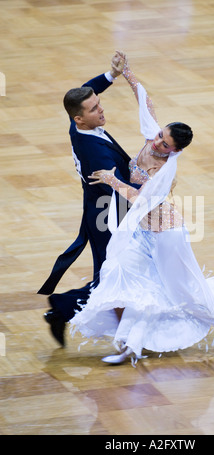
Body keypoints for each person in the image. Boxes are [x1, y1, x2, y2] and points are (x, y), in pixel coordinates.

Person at [70, 52, 214, 363]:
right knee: (140, 285)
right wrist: (125, 73)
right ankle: (130, 346)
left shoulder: (163, 172)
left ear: (175, 151)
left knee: (183, 293)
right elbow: (146, 103)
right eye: (159, 136)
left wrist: (112, 180)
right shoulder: (152, 137)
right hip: (145, 233)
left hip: (168, 235)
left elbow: (140, 200)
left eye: (166, 145)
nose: (157, 144)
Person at [38, 52, 140, 347]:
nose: (101, 111)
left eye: (99, 104)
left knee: (115, 274)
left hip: (101, 208)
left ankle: (64, 308)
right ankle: (63, 309)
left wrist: (111, 75)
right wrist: (151, 177)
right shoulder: (95, 153)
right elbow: (120, 189)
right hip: (108, 216)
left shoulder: (78, 124)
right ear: (79, 118)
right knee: (111, 278)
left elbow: (84, 91)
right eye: (94, 110)